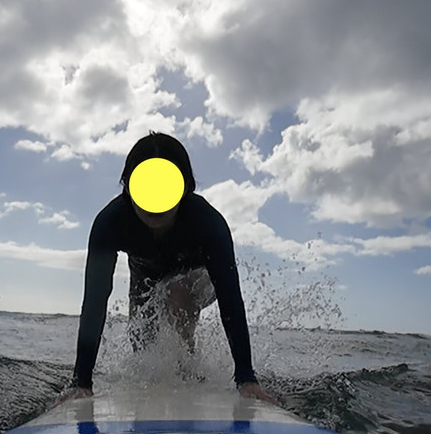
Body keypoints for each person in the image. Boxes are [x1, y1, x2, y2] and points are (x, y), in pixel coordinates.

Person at [57, 132, 276, 405]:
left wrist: (246, 377)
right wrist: (82, 381)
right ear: (127, 188)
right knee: (142, 345)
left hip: (197, 278)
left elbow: (231, 299)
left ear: (185, 189)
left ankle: (189, 372)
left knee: (177, 291)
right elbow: (94, 301)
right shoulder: (109, 224)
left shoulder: (208, 223)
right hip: (144, 278)